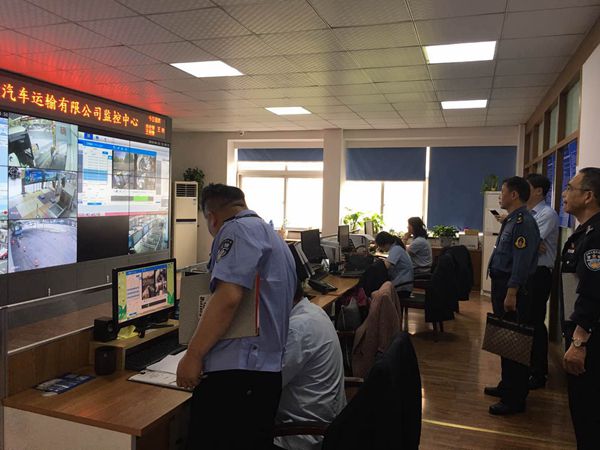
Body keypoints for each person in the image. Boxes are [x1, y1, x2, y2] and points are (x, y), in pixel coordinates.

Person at [176, 184, 297, 450]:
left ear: (212, 217)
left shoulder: (236, 229)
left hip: (238, 378)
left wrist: (193, 355)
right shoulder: (272, 235)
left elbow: (228, 297)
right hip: (263, 376)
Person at [484, 176, 540, 415]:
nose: (500, 196)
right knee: (504, 339)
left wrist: (512, 291)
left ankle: (514, 398)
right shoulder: (512, 219)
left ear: (514, 195)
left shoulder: (523, 222)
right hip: (502, 286)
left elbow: (521, 261)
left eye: (503, 192)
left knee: (514, 342)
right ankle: (507, 385)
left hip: (511, 289)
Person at [274, 281, 346, 450]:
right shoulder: (314, 311)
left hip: (303, 434)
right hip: (328, 422)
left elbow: (268, 384)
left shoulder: (297, 329)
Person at [560, 167, 600, 449]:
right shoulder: (584, 232)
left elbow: (593, 290)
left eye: (570, 188)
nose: (564, 193)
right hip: (579, 331)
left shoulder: (595, 236)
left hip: (588, 338)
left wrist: (578, 341)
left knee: (588, 412)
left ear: (588, 196)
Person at [525, 173, 559, 390]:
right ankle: (528, 367)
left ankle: (538, 373)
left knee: (535, 322)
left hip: (539, 274)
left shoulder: (547, 214)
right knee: (526, 321)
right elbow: (524, 242)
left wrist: (530, 243)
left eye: (526, 187)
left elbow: (528, 241)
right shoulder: (527, 213)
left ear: (538, 191)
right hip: (528, 272)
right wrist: (529, 243)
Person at [375, 231, 413, 298]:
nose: (380, 248)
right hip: (403, 284)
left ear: (386, 244)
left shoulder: (396, 249)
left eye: (380, 246)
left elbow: (385, 267)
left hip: (402, 287)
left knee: (375, 286)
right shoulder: (396, 247)